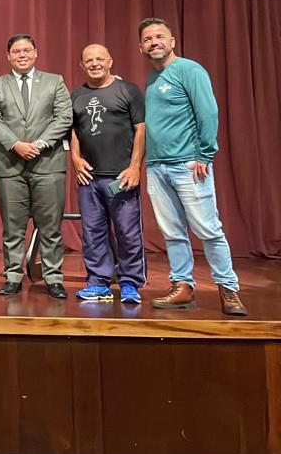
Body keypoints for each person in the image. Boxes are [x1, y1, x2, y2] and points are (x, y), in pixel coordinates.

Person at [139, 18, 247, 316]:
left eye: (160, 36)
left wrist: (204, 155)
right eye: (148, 39)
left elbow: (208, 112)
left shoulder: (190, 70)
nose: (154, 42)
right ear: (141, 47)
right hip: (157, 166)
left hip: (188, 165)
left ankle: (228, 289)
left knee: (208, 229)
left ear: (172, 41)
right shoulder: (152, 78)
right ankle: (182, 286)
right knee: (172, 232)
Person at [0, 34, 73, 299]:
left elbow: (64, 117)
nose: (22, 55)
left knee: (50, 227)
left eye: (26, 50)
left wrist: (40, 144)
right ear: (8, 56)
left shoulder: (55, 82)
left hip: (48, 163)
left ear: (35, 53)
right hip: (9, 165)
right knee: (13, 227)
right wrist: (16, 144)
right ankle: (13, 276)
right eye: (16, 51)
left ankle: (53, 277)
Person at [68, 45, 146, 303]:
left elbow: (141, 129)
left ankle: (130, 283)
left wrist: (135, 167)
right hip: (89, 178)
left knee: (128, 232)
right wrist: (75, 159)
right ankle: (98, 282)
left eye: (99, 59)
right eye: (89, 60)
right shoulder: (76, 95)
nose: (94, 64)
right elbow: (73, 131)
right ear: (82, 65)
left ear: (110, 61)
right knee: (93, 232)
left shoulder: (128, 91)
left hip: (121, 177)